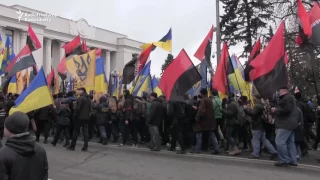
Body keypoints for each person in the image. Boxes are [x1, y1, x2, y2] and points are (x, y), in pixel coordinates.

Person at [0, 112, 48, 180]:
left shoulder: (3, 154)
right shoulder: (40, 149)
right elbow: (44, 174)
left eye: (5, 126)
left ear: (9, 129)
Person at [271, 87, 299, 167]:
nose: (278, 92)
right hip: (291, 123)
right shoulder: (290, 98)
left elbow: (287, 110)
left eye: (279, 91)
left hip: (285, 123)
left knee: (279, 141)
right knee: (290, 142)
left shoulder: (287, 98)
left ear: (283, 91)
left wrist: (275, 110)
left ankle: (284, 160)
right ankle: (293, 160)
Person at [194, 88, 220, 154]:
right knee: (212, 134)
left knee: (199, 134)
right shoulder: (210, 99)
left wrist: (197, 117)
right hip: (210, 120)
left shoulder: (203, 100)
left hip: (204, 121)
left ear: (202, 93)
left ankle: (197, 149)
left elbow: (201, 110)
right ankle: (217, 148)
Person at [68, 87, 92, 151]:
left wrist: (74, 115)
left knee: (76, 131)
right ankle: (85, 146)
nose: (78, 92)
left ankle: (72, 146)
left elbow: (77, 108)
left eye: (79, 90)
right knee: (85, 132)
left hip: (79, 117)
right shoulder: (88, 99)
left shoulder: (80, 98)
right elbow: (90, 109)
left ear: (82, 91)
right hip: (86, 117)